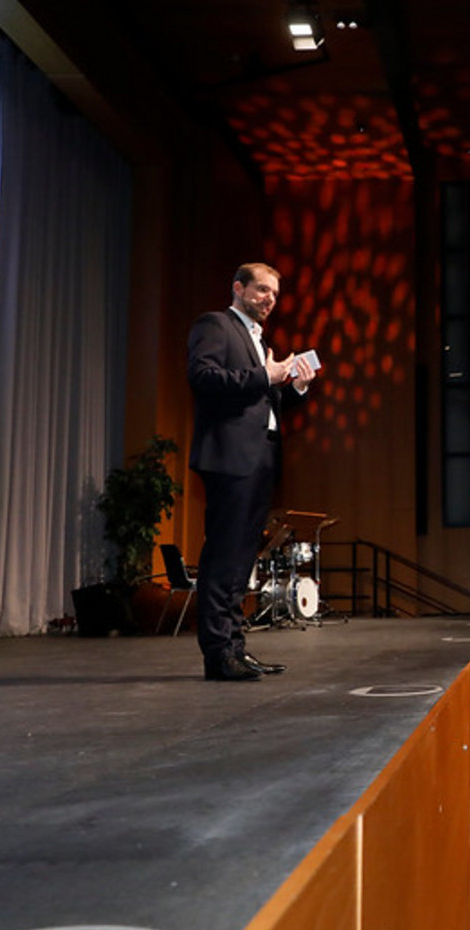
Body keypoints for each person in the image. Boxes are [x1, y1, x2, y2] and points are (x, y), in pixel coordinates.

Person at [188, 262, 316, 681]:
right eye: (261, 290)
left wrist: (293, 385)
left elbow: (264, 401)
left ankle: (235, 648)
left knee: (242, 560)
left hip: (261, 457)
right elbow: (203, 377)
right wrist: (266, 374)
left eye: (274, 295)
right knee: (224, 555)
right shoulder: (216, 325)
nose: (268, 300)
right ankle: (217, 653)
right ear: (239, 288)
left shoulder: (260, 340)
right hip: (229, 457)